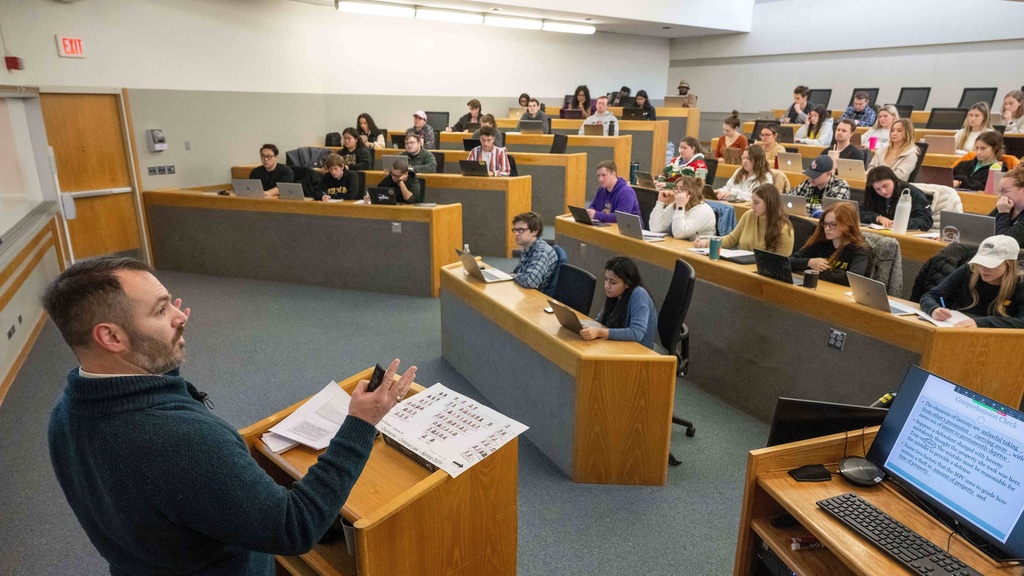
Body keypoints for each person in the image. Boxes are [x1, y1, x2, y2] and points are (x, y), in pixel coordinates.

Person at [43, 257, 417, 575]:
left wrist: (160, 348)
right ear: (111, 338)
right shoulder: (181, 441)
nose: (180, 316)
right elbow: (294, 528)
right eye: (161, 310)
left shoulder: (66, 414)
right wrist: (360, 425)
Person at [919, 235, 1024, 328]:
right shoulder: (970, 269)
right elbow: (931, 295)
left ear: (1009, 265)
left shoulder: (1020, 284)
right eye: (980, 262)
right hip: (956, 329)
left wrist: (981, 323)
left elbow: (1022, 321)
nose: (983, 268)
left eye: (991, 264)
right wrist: (934, 309)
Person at [579, 256, 658, 349]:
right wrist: (584, 327)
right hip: (618, 346)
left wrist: (599, 332)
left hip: (639, 351)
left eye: (612, 282)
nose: (607, 286)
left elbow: (636, 333)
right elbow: (600, 321)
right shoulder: (614, 295)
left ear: (627, 283)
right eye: (606, 279)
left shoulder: (639, 294)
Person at [694, 183, 794, 255]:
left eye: (756, 203)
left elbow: (781, 263)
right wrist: (707, 243)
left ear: (769, 203)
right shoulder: (749, 215)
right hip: (743, 265)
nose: (752, 206)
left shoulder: (784, 229)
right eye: (752, 202)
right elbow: (731, 239)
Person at [789, 202, 871, 286]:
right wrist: (809, 262)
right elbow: (789, 261)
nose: (827, 228)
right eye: (825, 224)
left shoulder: (859, 250)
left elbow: (852, 279)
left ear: (847, 225)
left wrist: (814, 272)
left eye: (833, 224)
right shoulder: (821, 243)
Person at [860, 166, 933, 231]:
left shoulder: (911, 193)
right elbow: (859, 212)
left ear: (893, 180)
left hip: (907, 234)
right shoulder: (872, 193)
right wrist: (877, 218)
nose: (883, 191)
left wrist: (902, 223)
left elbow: (926, 221)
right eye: (878, 189)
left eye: (885, 186)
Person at [648, 175, 716, 240]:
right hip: (682, 245)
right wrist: (660, 202)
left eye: (682, 189)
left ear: (692, 193)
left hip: (701, 247)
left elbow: (678, 234)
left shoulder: (703, 210)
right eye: (676, 188)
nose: (677, 192)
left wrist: (680, 207)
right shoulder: (676, 205)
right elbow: (655, 228)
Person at [510, 211, 559, 292]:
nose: (516, 234)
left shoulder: (542, 252)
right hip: (524, 291)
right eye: (515, 230)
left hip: (536, 295)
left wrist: (512, 276)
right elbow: (517, 272)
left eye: (521, 230)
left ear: (535, 232)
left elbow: (531, 281)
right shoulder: (527, 248)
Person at [989, 164, 1024, 245]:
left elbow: (1004, 243)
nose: (999, 196)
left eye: (1004, 191)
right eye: (999, 191)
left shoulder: (1004, 209)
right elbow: (984, 228)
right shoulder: (1006, 206)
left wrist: (1003, 213)